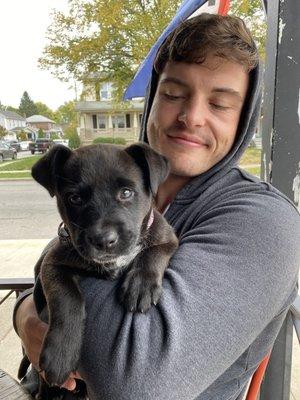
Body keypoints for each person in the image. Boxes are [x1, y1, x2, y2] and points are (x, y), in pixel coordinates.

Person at [14, 13, 300, 400]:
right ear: (151, 99)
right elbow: (53, 266)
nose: (191, 117)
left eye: (219, 103)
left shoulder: (264, 221)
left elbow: (134, 382)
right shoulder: (124, 173)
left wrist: (46, 295)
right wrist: (26, 312)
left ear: (244, 119)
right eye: (173, 94)